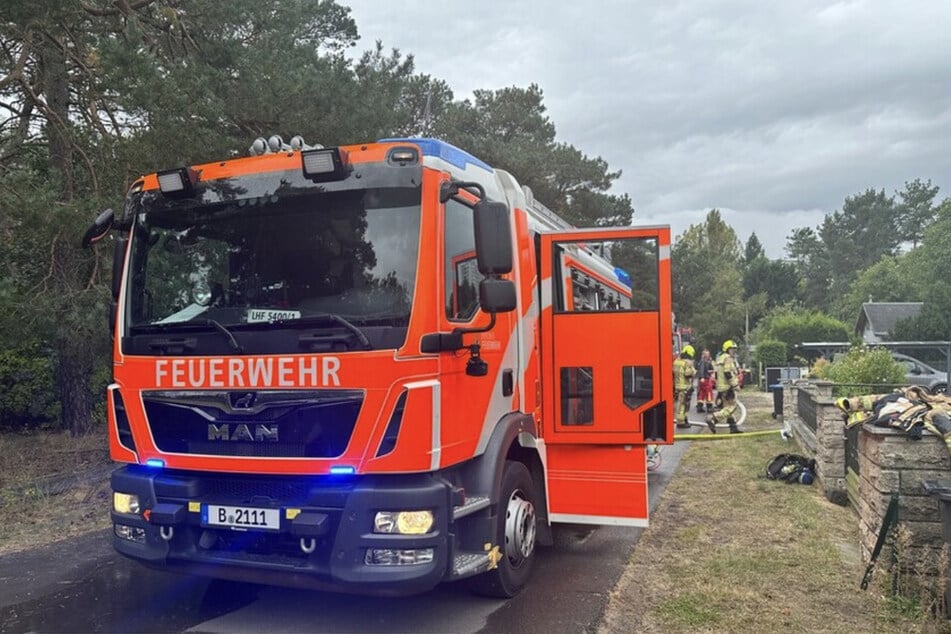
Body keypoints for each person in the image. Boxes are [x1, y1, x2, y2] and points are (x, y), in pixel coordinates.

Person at [708, 339, 742, 434]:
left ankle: (733, 427)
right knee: (732, 407)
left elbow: (716, 374)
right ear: (727, 349)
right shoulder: (728, 358)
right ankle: (713, 418)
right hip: (728, 387)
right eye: (732, 349)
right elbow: (727, 372)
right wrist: (735, 385)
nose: (734, 351)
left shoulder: (720, 358)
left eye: (734, 349)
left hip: (721, 386)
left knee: (727, 406)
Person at [673, 345, 696, 428]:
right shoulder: (688, 362)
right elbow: (688, 373)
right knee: (684, 405)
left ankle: (683, 419)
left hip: (677, 386)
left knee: (681, 403)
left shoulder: (676, 361)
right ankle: (681, 422)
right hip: (685, 387)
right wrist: (693, 371)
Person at [695, 348, 715, 414]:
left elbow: (700, 370)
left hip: (702, 380)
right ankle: (709, 407)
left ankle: (699, 407)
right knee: (708, 393)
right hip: (706, 379)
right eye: (707, 354)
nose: (708, 355)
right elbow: (702, 370)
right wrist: (703, 377)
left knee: (701, 393)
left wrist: (700, 378)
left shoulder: (701, 361)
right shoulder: (705, 362)